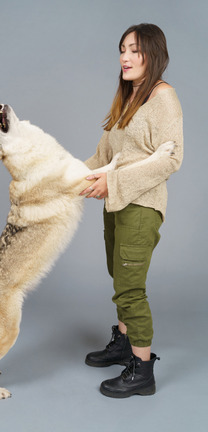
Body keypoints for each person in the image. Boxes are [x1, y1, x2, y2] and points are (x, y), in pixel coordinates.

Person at [80, 23, 183, 398]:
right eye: (122, 49)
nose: (125, 57)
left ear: (153, 54)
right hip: (116, 202)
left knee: (130, 287)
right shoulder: (128, 97)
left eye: (135, 50)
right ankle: (124, 343)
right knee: (117, 274)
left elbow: (171, 160)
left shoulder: (163, 97)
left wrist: (113, 183)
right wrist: (70, 177)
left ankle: (142, 370)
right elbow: (104, 156)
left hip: (141, 205)